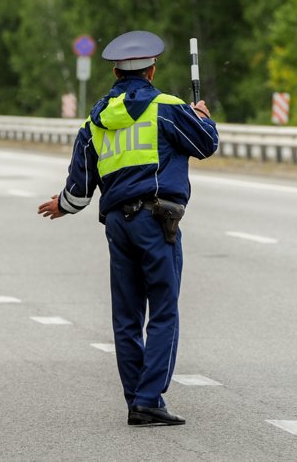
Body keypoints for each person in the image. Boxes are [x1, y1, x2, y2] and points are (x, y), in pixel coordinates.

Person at [37, 30, 219, 426]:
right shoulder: (168, 109)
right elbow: (205, 144)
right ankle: (149, 399)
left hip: (118, 225)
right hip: (158, 220)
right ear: (151, 70)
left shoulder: (95, 121)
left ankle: (136, 398)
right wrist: (203, 116)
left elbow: (79, 190)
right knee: (164, 311)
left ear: (117, 72)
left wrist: (61, 206)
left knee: (126, 316)